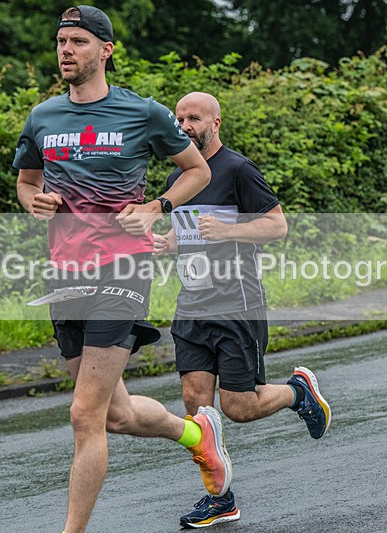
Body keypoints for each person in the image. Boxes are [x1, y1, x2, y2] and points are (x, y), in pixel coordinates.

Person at [13, 7, 232, 533]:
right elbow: (26, 182)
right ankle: (195, 435)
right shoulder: (43, 117)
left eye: (79, 42)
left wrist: (157, 206)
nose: (66, 50)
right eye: (62, 41)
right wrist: (33, 202)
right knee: (116, 413)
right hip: (64, 273)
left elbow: (197, 171)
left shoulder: (143, 113)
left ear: (105, 50)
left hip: (122, 270)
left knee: (83, 416)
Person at [154, 92, 332, 529]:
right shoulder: (181, 176)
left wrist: (230, 227)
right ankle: (220, 499)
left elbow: (277, 224)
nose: (184, 126)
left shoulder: (237, 169)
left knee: (238, 407)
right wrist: (171, 242)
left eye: (193, 118)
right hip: (191, 306)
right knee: (199, 412)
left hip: (237, 306)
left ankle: (297, 391)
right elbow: (194, 234)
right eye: (179, 119)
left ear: (216, 122)